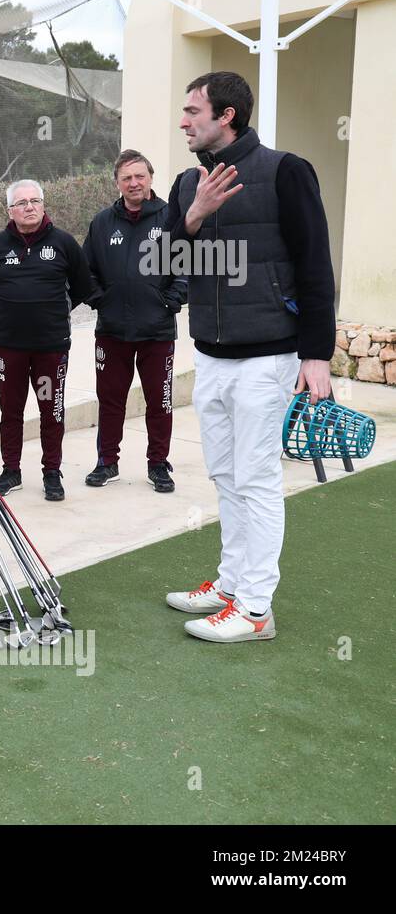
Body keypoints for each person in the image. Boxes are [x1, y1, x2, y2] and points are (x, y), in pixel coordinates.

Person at [162, 71, 335, 643]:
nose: (184, 121)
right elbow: (161, 263)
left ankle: (256, 610)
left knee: (257, 479)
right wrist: (194, 216)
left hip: (270, 356)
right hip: (210, 353)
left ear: (226, 115)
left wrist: (317, 354)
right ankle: (231, 585)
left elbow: (315, 267)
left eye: (193, 111)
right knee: (224, 474)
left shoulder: (286, 170)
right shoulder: (187, 182)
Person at [0, 179, 96, 502]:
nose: (29, 207)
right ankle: (10, 470)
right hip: (8, 347)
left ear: (43, 205)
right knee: (10, 410)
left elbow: (83, 287)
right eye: (21, 203)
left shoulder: (64, 244)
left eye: (35, 201)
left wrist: (52, 313)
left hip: (50, 349)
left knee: (50, 411)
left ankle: (51, 472)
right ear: (10, 210)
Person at [82, 149, 186, 493]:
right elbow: (86, 271)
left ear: (151, 179)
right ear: (117, 183)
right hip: (112, 331)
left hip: (157, 331)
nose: (133, 183)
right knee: (111, 400)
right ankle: (107, 462)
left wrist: (171, 300)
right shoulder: (101, 222)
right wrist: (100, 299)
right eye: (126, 177)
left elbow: (187, 264)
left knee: (160, 400)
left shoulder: (172, 218)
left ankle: (158, 464)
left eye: (139, 176)